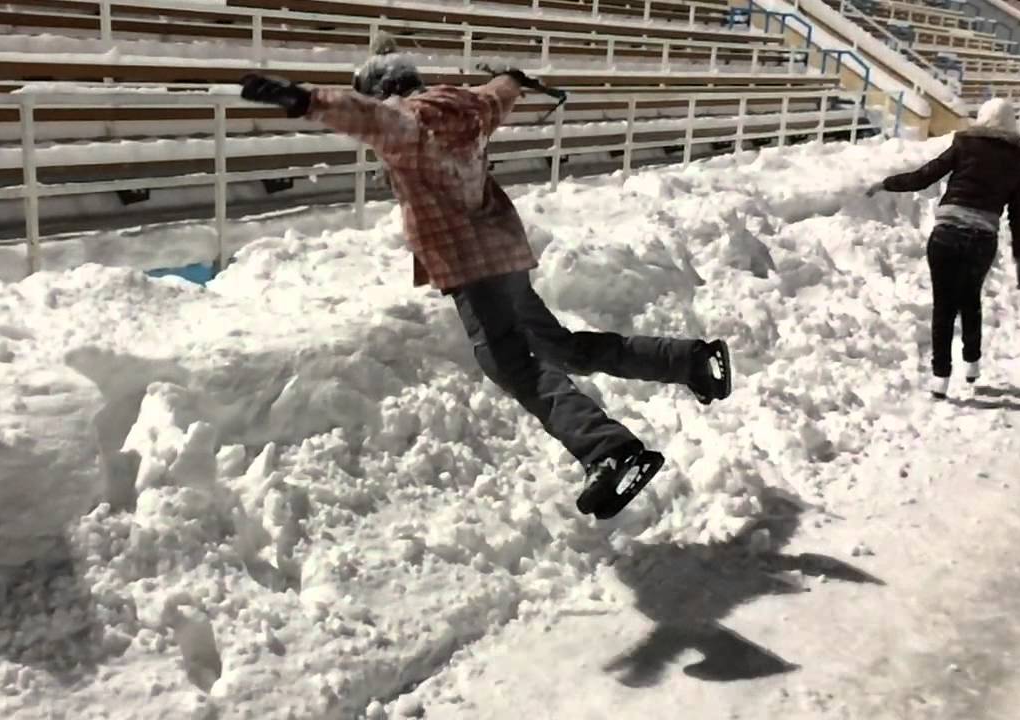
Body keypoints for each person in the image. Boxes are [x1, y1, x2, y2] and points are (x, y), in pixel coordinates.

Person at [238, 51, 732, 519]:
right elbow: (500, 92)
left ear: (383, 91)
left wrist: (303, 100)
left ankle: (609, 450)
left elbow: (366, 117)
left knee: (510, 362)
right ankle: (689, 360)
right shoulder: (471, 108)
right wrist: (513, 79)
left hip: (469, 264)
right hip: (502, 253)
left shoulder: (404, 125)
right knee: (561, 346)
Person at [866, 97, 1020, 399]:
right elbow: (1019, 212)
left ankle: (940, 379)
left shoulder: (966, 143)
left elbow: (925, 175)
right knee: (970, 301)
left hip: (946, 235)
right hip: (982, 240)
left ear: (982, 118)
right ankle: (973, 363)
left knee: (943, 307)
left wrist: (886, 183)